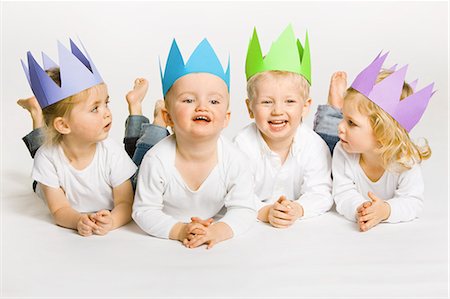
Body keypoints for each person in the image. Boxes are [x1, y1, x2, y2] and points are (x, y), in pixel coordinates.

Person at [132, 38, 256, 249]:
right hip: (140, 165)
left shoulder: (236, 160)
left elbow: (244, 208)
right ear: (169, 117)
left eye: (214, 101)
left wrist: (217, 230)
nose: (202, 107)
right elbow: (144, 210)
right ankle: (146, 116)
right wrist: (179, 230)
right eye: (189, 100)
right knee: (138, 151)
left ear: (226, 118)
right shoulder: (156, 160)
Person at [18, 39, 137, 237]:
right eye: (95, 108)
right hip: (48, 176)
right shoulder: (47, 158)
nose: (107, 113)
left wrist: (113, 221)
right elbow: (58, 210)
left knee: (43, 146)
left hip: (62, 146)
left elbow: (126, 203)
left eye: (106, 103)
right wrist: (77, 221)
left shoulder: (111, 151)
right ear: (64, 125)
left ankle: (37, 110)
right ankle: (36, 113)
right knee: (39, 150)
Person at [233, 25, 333, 229]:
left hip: (324, 142)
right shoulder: (242, 144)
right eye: (267, 102)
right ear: (250, 108)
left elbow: (321, 192)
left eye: (289, 102)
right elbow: (235, 193)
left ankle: (333, 108)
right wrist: (264, 211)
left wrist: (299, 208)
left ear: (305, 107)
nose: (277, 111)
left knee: (333, 140)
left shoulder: (314, 145)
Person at [330, 52, 434, 231]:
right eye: (343, 117)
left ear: (382, 134)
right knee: (326, 140)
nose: (342, 126)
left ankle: (336, 108)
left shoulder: (406, 162)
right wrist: (360, 209)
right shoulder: (342, 149)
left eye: (351, 122)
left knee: (331, 132)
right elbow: (342, 193)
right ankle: (333, 107)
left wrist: (386, 211)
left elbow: (413, 202)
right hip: (338, 144)